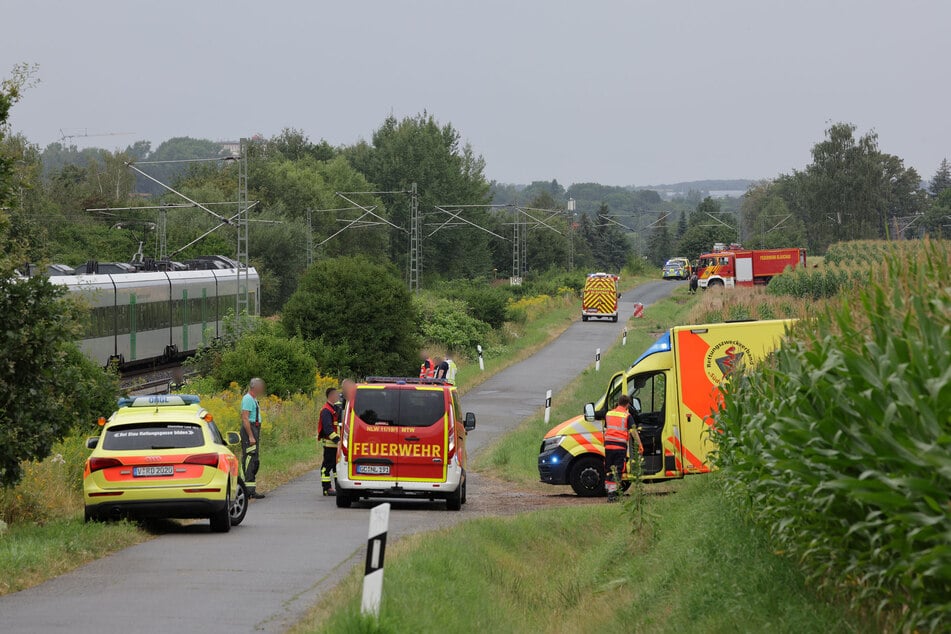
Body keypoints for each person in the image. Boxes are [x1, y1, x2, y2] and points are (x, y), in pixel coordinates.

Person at [603, 394, 643, 503]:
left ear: (618, 403)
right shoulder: (627, 416)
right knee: (618, 470)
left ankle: (608, 490)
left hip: (608, 446)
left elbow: (606, 429)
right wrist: (640, 445)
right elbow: (633, 431)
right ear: (627, 405)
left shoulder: (609, 414)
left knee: (608, 469)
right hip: (619, 447)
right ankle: (612, 495)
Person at [241, 378, 266, 499]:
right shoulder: (247, 399)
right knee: (249, 459)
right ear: (254, 387)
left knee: (255, 460)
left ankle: (251, 489)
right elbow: (245, 418)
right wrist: (250, 435)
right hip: (250, 430)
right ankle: (247, 490)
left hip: (255, 429)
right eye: (260, 386)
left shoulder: (254, 399)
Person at [318, 386, 342, 496]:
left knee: (337, 468)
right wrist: (338, 440)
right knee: (326, 467)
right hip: (330, 445)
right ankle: (326, 488)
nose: (338, 396)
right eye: (336, 395)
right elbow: (328, 429)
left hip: (337, 445)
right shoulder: (326, 411)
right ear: (331, 396)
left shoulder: (335, 409)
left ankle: (339, 488)